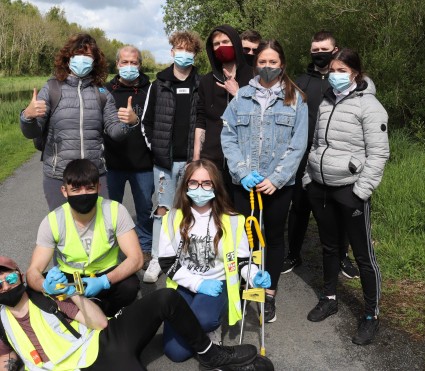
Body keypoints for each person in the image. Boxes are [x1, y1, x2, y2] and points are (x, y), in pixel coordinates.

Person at [0, 256, 259, 371]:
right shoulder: (2, 322)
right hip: (78, 368)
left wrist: (70, 293)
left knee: (166, 297)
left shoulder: (45, 297)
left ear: (20, 276)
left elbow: (101, 323)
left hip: (101, 344)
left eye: (9, 277)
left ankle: (210, 354)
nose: (6, 285)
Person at [302, 48, 389, 345]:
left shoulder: (370, 106)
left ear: (355, 73)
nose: (335, 75)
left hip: (350, 190)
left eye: (341, 70)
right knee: (329, 247)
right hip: (320, 187)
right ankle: (329, 297)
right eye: (332, 70)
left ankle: (370, 315)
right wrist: (308, 178)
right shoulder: (327, 101)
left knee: (364, 256)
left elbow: (379, 154)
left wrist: (360, 191)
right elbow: (316, 142)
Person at [221, 39, 308, 323]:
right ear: (255, 64)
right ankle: (248, 285)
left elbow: (298, 144)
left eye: (273, 62)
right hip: (244, 184)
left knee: (272, 237)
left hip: (277, 186)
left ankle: (269, 293)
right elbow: (229, 137)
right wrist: (242, 171)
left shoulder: (296, 98)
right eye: (262, 62)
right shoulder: (241, 97)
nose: (267, 67)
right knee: (246, 237)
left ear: (282, 64)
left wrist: (277, 178)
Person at [158, 159, 271, 362]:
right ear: (185, 186)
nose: (199, 188)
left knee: (203, 320)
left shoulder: (234, 220)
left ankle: (212, 326)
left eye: (206, 183)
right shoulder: (172, 217)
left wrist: (255, 275)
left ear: (216, 186)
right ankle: (201, 336)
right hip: (184, 283)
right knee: (175, 353)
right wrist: (198, 284)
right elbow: (166, 262)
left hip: (217, 285)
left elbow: (242, 261)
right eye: (193, 182)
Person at [20, 33, 139, 211]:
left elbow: (115, 132)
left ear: (95, 61)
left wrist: (130, 122)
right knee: (63, 230)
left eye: (88, 56)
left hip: (95, 174)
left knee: (101, 229)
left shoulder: (101, 92)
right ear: (68, 58)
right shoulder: (52, 88)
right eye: (78, 54)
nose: (82, 59)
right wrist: (27, 117)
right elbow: (33, 132)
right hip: (58, 175)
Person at [282, 30, 359, 279]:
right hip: (304, 157)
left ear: (335, 50)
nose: (319, 54)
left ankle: (343, 257)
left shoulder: (348, 82)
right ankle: (293, 253)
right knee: (299, 209)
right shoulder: (301, 83)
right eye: (315, 50)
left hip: (339, 158)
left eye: (323, 49)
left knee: (341, 210)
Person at [26, 159, 143, 317]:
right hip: (70, 280)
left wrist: (104, 281)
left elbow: (136, 259)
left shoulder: (116, 211)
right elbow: (33, 271)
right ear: (64, 191)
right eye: (76, 189)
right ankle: (78, 316)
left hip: (105, 275)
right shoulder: (52, 221)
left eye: (89, 188)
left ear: (99, 188)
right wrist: (45, 286)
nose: (83, 194)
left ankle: (112, 316)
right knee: (32, 291)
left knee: (129, 285)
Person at [141, 31, 203, 283]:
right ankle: (157, 257)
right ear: (172, 52)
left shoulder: (201, 84)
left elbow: (203, 121)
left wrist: (196, 158)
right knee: (163, 210)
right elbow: (146, 122)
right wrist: (156, 151)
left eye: (189, 50)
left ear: (195, 54)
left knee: (188, 210)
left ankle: (182, 256)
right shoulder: (159, 84)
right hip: (164, 164)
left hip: (190, 162)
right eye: (179, 48)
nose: (184, 53)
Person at [104, 45, 154, 270]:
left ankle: (145, 247)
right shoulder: (106, 91)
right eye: (125, 62)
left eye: (134, 62)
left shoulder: (150, 90)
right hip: (112, 164)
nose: (129, 67)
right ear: (117, 65)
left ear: (140, 65)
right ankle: (110, 250)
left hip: (143, 164)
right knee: (110, 210)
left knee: (144, 209)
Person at [194, 24, 254, 199]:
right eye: (216, 44)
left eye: (226, 41)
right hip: (213, 161)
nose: (221, 47)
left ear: (235, 43)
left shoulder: (254, 77)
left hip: (245, 162)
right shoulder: (206, 81)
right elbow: (201, 120)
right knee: (215, 216)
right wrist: (197, 157)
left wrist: (237, 94)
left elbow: (261, 116)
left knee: (243, 218)